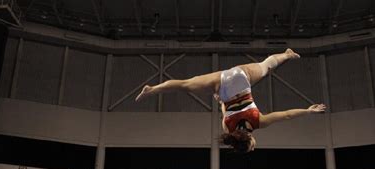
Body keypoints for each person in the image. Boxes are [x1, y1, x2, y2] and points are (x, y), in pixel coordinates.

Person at [135, 48, 326, 153]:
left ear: (249, 139)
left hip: (241, 79)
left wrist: (308, 111)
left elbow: (285, 115)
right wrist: (220, 100)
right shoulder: (228, 130)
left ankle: (286, 54)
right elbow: (225, 112)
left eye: (251, 147)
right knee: (186, 84)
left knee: (266, 66)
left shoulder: (258, 122)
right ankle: (153, 89)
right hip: (223, 85)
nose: (254, 147)